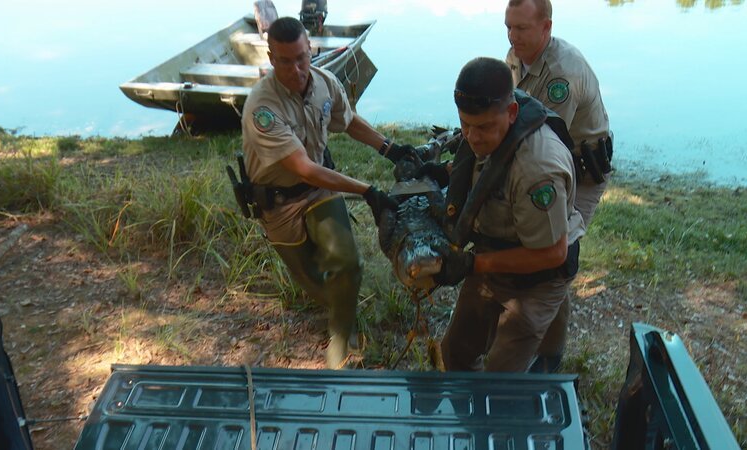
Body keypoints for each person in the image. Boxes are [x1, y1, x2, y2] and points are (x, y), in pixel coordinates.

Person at [240, 17, 415, 369]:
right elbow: (303, 167)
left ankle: (341, 339)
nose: (297, 68)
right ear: (272, 60)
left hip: (319, 190)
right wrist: (367, 189)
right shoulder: (263, 107)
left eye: (303, 57)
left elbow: (347, 120)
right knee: (316, 283)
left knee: (346, 263)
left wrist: (390, 149)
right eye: (286, 61)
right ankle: (338, 309)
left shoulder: (324, 82)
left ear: (311, 50)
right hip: (279, 205)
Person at [419, 57, 585, 373]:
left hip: (540, 275)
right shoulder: (482, 129)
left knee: (502, 376)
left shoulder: (538, 169)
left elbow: (553, 253)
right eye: (465, 124)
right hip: (494, 252)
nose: (472, 136)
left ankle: (541, 370)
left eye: (483, 127)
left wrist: (471, 264)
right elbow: (486, 171)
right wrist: (444, 174)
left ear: (512, 113)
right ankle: (470, 414)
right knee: (455, 353)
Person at [504, 0, 612, 372]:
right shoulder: (517, 55)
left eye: (521, 29)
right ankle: (541, 341)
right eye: (508, 27)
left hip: (579, 172)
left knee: (558, 251)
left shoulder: (562, 73)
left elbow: (541, 142)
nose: (512, 37)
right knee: (548, 250)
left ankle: (550, 356)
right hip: (553, 160)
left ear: (546, 28)